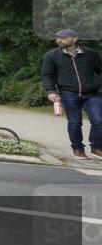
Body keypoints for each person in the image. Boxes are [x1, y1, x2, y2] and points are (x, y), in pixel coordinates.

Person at [42, 28, 102, 159]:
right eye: (57, 38)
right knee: (75, 122)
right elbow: (47, 75)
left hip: (91, 93)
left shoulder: (91, 54)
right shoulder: (51, 56)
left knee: (99, 120)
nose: (58, 40)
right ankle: (78, 149)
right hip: (69, 93)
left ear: (74, 39)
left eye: (62, 38)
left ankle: (97, 147)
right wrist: (50, 91)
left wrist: (97, 82)